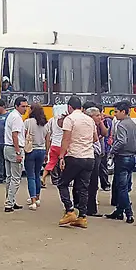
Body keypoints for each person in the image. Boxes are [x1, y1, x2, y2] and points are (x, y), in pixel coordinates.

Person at [56, 96, 97, 228]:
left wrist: (61, 156)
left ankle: (69, 210)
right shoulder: (90, 120)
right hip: (89, 157)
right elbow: (95, 138)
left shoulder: (70, 118)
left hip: (74, 156)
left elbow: (66, 139)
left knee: (62, 183)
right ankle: (82, 217)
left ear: (69, 107)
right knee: (83, 188)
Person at [106, 101, 136, 223]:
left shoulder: (121, 125)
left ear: (123, 112)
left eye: (116, 111)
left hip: (123, 157)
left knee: (122, 187)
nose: (115, 114)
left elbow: (121, 141)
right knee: (124, 185)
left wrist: (112, 151)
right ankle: (119, 212)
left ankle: (128, 212)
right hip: (132, 157)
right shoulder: (133, 125)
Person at [3, 97, 28, 213]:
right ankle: (9, 203)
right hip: (14, 149)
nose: (25, 109)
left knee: (9, 177)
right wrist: (18, 152)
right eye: (23, 106)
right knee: (16, 179)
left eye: (26, 106)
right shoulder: (17, 118)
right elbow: (15, 136)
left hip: (7, 148)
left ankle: (10, 200)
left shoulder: (11, 115)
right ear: (16, 106)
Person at [23, 101, 49, 210]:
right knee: (37, 174)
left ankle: (32, 200)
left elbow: (23, 136)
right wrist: (47, 153)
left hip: (31, 151)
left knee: (30, 176)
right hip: (41, 150)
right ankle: (37, 198)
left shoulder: (28, 122)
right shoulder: (45, 123)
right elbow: (48, 139)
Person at [83, 106, 104, 217]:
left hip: (94, 155)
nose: (100, 117)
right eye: (97, 116)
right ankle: (90, 208)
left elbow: (105, 133)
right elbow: (95, 139)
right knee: (92, 183)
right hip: (91, 155)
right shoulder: (89, 126)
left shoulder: (95, 125)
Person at [42, 105, 67, 188]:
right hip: (63, 146)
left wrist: (47, 149)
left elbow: (48, 135)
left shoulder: (52, 120)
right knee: (64, 163)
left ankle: (43, 178)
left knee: (51, 163)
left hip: (54, 146)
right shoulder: (67, 121)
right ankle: (63, 179)